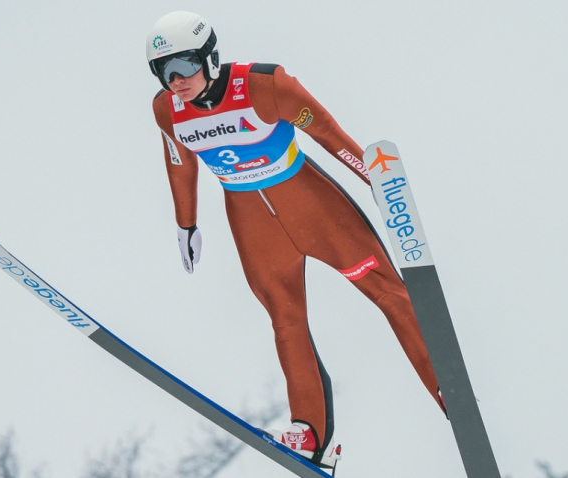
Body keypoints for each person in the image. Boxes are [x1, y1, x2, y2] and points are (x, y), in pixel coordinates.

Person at [146, 11, 446, 469]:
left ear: (209, 57)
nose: (176, 81)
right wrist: (186, 223)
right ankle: (309, 433)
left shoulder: (266, 85)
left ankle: (444, 385)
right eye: (163, 72)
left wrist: (378, 183)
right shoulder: (167, 110)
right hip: (253, 225)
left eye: (184, 65)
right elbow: (180, 163)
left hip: (315, 210)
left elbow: (329, 134)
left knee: (386, 292)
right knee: (285, 321)